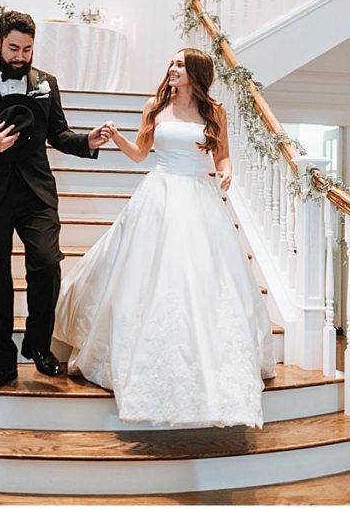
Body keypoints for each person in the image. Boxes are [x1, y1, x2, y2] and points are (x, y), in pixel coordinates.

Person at [54, 48, 277, 427]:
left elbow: (222, 156)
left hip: (196, 196)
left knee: (201, 280)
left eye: (179, 65)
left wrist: (226, 173)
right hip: (158, 195)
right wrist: (118, 138)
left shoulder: (214, 112)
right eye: (171, 63)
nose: (171, 69)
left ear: (195, 73)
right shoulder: (154, 108)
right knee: (147, 276)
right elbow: (141, 155)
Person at [0, 9, 112, 392]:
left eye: (28, 49)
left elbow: (59, 134)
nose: (20, 56)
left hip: (36, 193)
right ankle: (1, 363)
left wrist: (86, 142)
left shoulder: (47, 82)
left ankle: (38, 346)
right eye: (14, 47)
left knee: (48, 265)